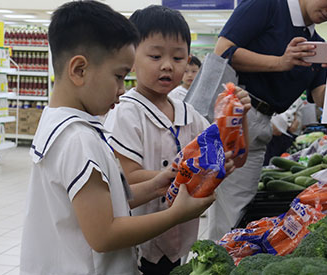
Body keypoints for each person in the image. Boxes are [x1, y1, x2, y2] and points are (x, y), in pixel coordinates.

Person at [20, 2, 216, 274]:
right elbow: (105, 235)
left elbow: (102, 203)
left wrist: (158, 184)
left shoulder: (58, 122)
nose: (123, 90)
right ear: (79, 71)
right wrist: (176, 215)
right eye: (119, 76)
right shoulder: (79, 140)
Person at [104, 5, 251, 275]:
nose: (168, 65)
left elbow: (237, 157)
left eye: (179, 57)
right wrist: (185, 174)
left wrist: (238, 117)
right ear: (131, 58)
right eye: (155, 55)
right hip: (140, 239)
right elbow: (126, 178)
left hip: (180, 236)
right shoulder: (126, 111)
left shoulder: (189, 113)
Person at [205, 0, 327, 240]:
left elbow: (321, 98)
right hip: (232, 115)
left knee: (235, 207)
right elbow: (223, 50)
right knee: (218, 210)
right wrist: (280, 62)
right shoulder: (267, 5)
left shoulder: (316, 45)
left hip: (262, 124)